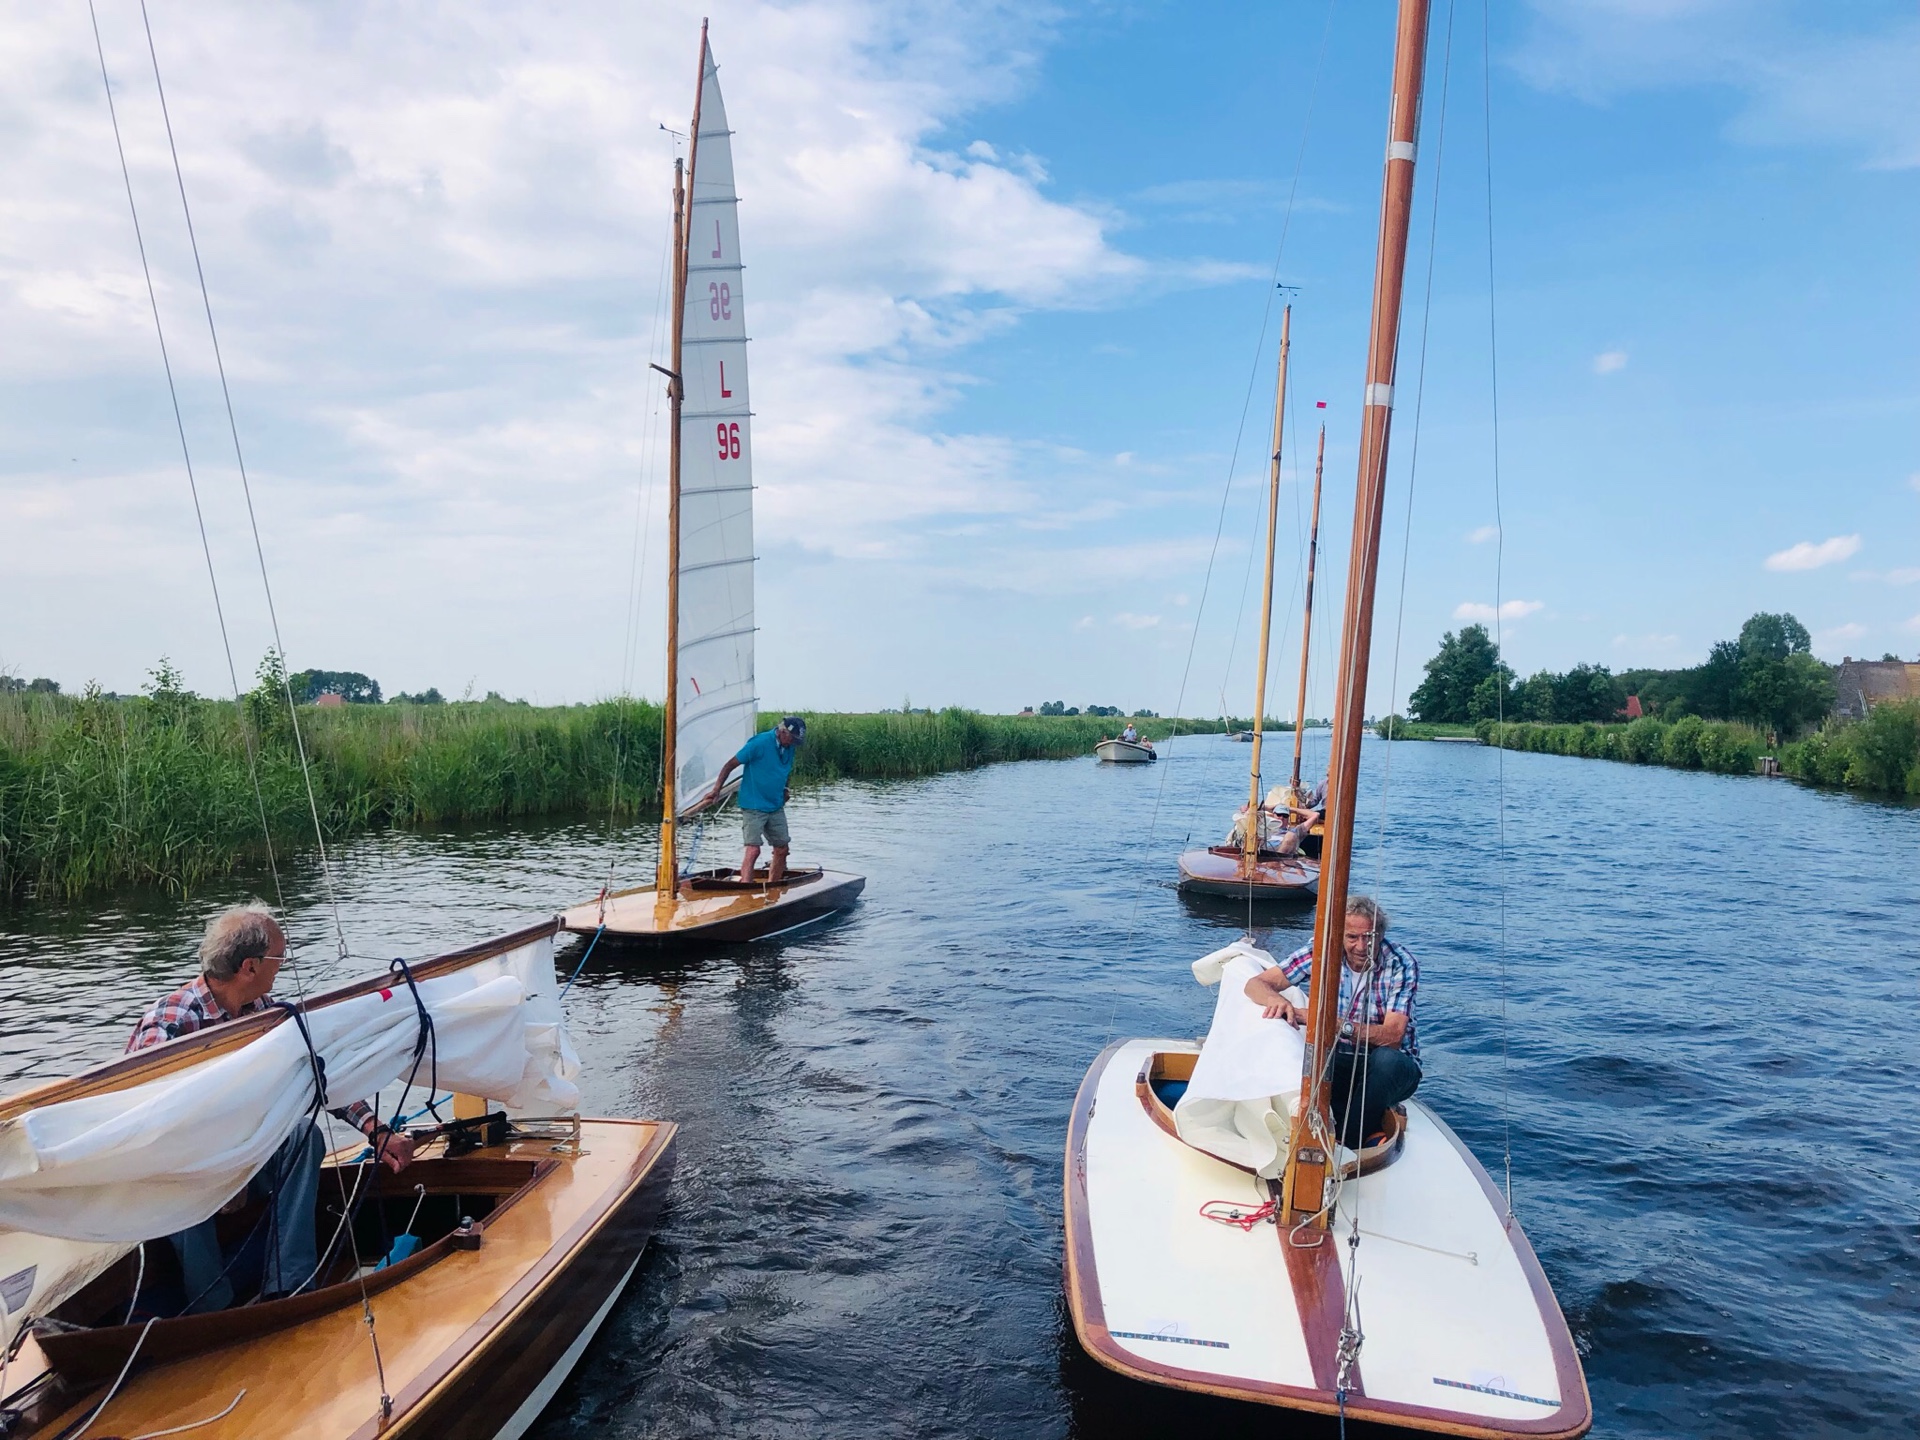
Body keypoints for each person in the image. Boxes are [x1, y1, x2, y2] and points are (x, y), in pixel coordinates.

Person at [128, 906, 415, 1312]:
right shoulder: (171, 1022)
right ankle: (213, 1310)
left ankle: (289, 1285)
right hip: (181, 1163)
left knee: (302, 1138)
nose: (283, 966)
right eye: (280, 957)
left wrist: (376, 1130)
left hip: (239, 1154)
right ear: (250, 966)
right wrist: (225, 1172)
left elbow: (315, 1073)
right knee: (179, 1182)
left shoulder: (262, 1011)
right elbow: (150, 1122)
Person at [1243, 894, 1420, 1149]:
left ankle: (1349, 1143)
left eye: (1369, 937)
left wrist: (1333, 1024)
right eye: (1352, 937)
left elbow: (1393, 1036)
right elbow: (1255, 984)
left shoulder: (1400, 963)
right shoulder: (1322, 950)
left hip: (1387, 1067)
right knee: (1294, 1053)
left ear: (1381, 935)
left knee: (1386, 1061)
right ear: (1339, 934)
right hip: (1337, 1059)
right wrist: (1277, 1001)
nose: (1361, 946)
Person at [706, 716, 806, 884]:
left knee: (782, 849)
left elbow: (785, 770)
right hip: (753, 804)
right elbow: (730, 765)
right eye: (793, 739)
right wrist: (716, 789)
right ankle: (745, 887)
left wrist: (785, 789)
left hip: (775, 805)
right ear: (783, 732)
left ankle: (773, 886)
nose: (794, 743)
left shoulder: (789, 747)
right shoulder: (759, 743)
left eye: (797, 740)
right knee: (753, 850)